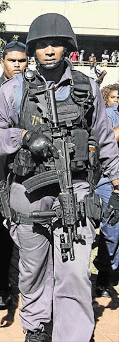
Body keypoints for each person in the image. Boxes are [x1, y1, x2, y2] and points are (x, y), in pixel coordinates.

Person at [0, 13, 119, 342]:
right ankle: (37, 327)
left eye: (56, 43)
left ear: (68, 48)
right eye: (42, 44)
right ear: (33, 50)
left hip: (76, 189)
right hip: (30, 192)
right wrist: (24, 136)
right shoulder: (15, 89)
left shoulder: (87, 88)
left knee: (74, 271)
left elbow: (105, 139)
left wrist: (116, 187)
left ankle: (72, 334)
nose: (49, 50)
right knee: (34, 269)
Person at [0, 41, 28, 310]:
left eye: (21, 60)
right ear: (3, 62)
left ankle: (10, 285)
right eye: (11, 60)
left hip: (23, 173)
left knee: (21, 235)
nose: (17, 65)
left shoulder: (33, 88)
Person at [94, 83, 119, 298]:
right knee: (112, 229)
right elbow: (102, 142)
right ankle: (104, 276)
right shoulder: (110, 114)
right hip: (109, 181)